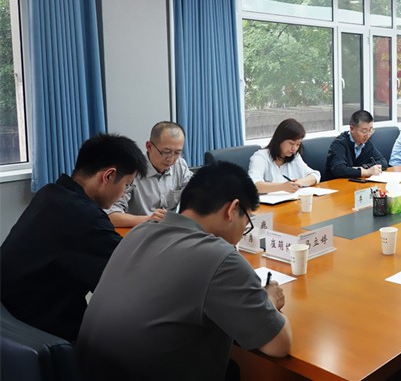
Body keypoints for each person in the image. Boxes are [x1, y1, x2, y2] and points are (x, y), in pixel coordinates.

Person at [77, 162, 291, 381]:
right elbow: (279, 346)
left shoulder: (139, 232)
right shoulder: (220, 258)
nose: (243, 230)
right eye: (246, 222)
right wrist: (269, 300)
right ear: (232, 209)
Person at [0, 134, 147, 341]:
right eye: (127, 185)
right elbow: (128, 279)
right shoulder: (83, 217)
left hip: (11, 323)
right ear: (108, 176)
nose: (124, 194)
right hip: (42, 333)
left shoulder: (50, 193)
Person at [107, 121, 193, 227]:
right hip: (139, 231)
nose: (171, 159)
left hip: (170, 230)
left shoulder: (180, 165)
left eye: (177, 153)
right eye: (166, 152)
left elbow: (194, 195)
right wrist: (148, 219)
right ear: (149, 146)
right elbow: (111, 215)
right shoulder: (131, 170)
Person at [248, 118, 320, 193]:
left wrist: (298, 183)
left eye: (298, 144)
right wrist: (282, 187)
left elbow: (315, 175)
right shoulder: (261, 157)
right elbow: (253, 185)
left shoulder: (295, 157)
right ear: (280, 139)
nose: (294, 148)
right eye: (291, 143)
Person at [325, 110, 388, 179]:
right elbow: (339, 169)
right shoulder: (339, 144)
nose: (368, 135)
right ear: (352, 128)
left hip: (356, 182)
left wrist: (364, 167)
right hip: (336, 183)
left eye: (370, 130)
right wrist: (366, 172)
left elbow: (383, 162)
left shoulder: (367, 143)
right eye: (364, 131)